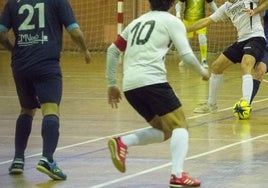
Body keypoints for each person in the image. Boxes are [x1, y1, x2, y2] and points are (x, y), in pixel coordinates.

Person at [106, 0, 209, 187]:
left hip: (130, 85)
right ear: (173, 2)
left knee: (165, 129)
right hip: (152, 81)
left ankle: (123, 142)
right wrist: (203, 72)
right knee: (180, 126)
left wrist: (112, 83)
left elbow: (113, 50)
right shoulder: (172, 21)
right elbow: (185, 55)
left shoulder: (136, 22)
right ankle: (177, 175)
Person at [0, 0, 90, 180]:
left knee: (26, 110)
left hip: (20, 65)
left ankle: (18, 159)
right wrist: (85, 50)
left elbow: (1, 34)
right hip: (46, 64)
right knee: (51, 109)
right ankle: (47, 159)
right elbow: (74, 32)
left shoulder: (12, 3)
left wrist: (13, 49)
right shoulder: (58, 1)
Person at [185, 0, 268, 115]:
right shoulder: (226, 7)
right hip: (241, 41)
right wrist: (187, 29)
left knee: (246, 63)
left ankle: (245, 104)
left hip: (256, 38)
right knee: (216, 66)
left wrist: (255, 10)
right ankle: (211, 104)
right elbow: (207, 20)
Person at [175, 0, 218, 68]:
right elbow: (179, 4)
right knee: (186, 40)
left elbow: (211, 3)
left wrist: (218, 12)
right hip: (187, 20)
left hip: (201, 20)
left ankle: (204, 60)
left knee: (202, 38)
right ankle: (185, 59)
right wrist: (178, 14)